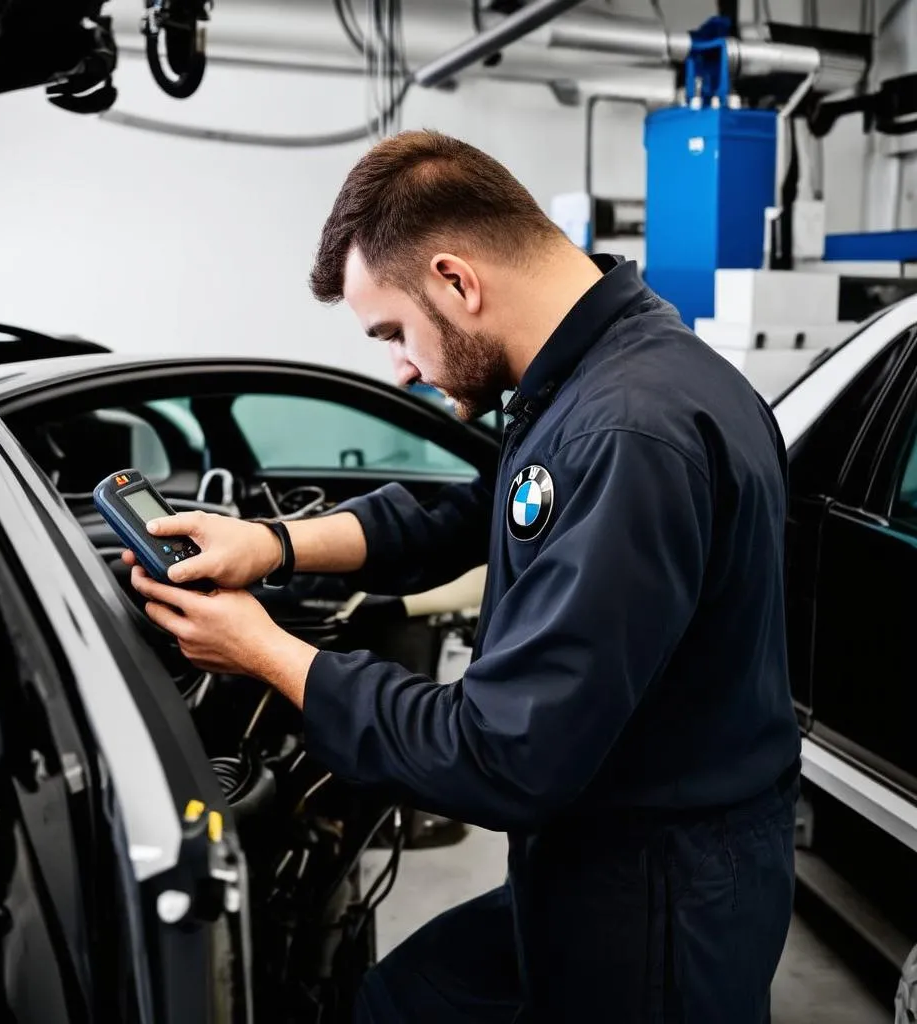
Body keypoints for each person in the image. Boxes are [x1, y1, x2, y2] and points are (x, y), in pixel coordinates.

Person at [126, 130, 801, 1022]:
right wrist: (273, 544)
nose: (400, 366)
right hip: (608, 851)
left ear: (456, 280)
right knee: (398, 1001)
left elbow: (502, 755)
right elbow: (478, 512)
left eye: (394, 332)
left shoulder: (627, 431)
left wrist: (270, 655)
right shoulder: (610, 374)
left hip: (655, 894)